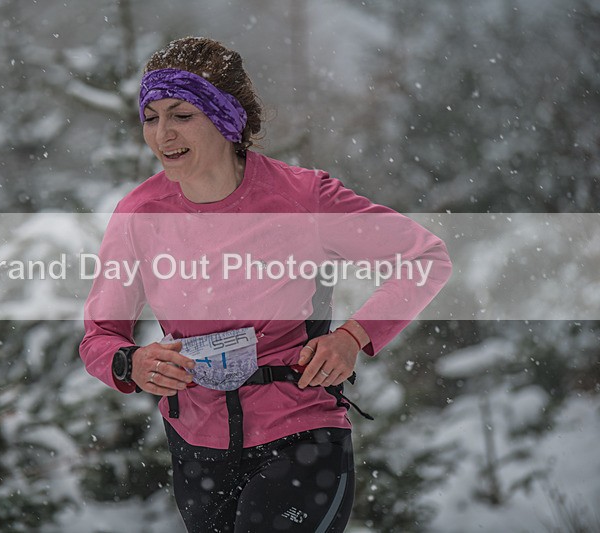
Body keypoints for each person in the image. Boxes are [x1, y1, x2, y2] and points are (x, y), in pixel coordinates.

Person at [79, 36, 452, 532]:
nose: (162, 133)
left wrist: (352, 337)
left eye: (181, 114)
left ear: (226, 117)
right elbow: (100, 337)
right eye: (151, 117)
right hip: (198, 450)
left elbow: (425, 257)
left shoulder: (301, 198)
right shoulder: (138, 215)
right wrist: (133, 363)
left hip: (300, 436)